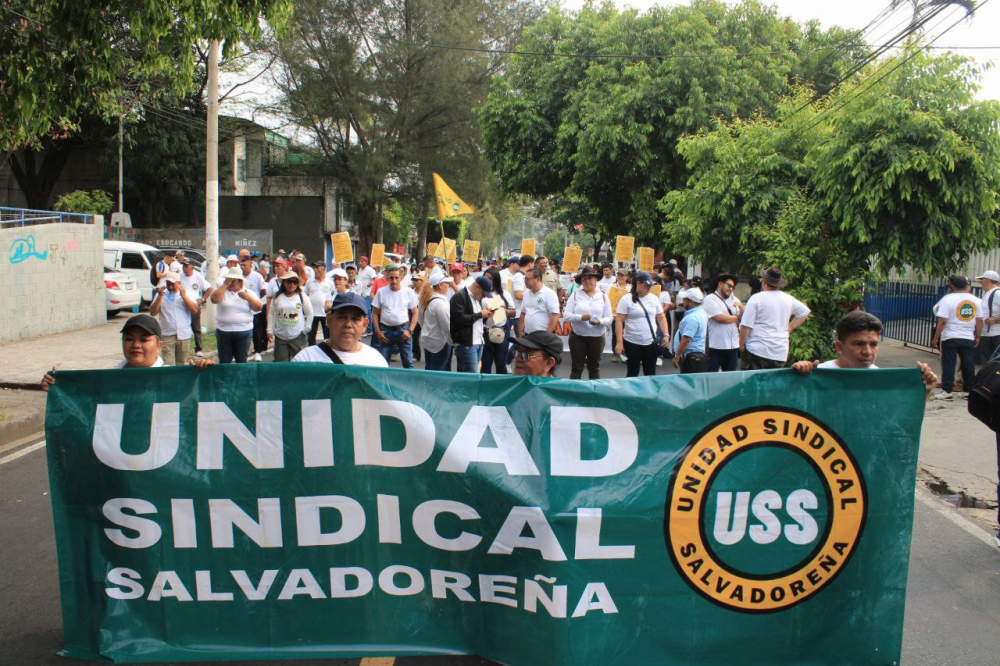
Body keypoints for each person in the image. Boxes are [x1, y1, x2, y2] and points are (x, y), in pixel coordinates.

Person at [41, 314, 214, 390]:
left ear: (159, 345)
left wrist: (206, 376)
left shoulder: (175, 379)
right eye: (129, 339)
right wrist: (59, 385)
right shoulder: (108, 379)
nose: (136, 345)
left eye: (144, 340)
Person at [792, 312, 939, 390]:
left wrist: (925, 390)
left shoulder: (881, 380)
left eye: (874, 344)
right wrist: (796, 379)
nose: (868, 352)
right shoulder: (818, 376)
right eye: (859, 344)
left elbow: (899, 420)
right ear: (839, 347)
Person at [739, 266, 811, 370]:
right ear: (778, 284)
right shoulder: (788, 298)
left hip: (757, 349)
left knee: (752, 384)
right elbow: (804, 312)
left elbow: (745, 326)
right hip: (779, 353)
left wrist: (741, 345)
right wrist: (790, 327)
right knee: (772, 384)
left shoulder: (756, 298)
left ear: (764, 282)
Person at [292, 292, 388, 367]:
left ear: (364, 325)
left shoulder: (376, 361)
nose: (348, 324)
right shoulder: (305, 360)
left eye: (355, 319)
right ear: (329, 320)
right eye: (342, 317)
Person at [931, 275, 983, 397]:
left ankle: (947, 391)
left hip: (951, 337)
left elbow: (942, 321)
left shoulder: (947, 299)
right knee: (968, 364)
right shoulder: (976, 300)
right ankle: (968, 390)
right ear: (967, 286)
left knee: (949, 363)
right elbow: (979, 321)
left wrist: (935, 338)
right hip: (968, 337)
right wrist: (977, 336)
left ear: (953, 286)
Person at [615, 271, 670, 377]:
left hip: (650, 342)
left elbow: (661, 317)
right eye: (647, 285)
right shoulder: (626, 299)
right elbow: (619, 321)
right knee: (632, 373)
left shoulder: (653, 298)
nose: (649, 288)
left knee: (650, 373)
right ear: (638, 283)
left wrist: (666, 334)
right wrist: (619, 342)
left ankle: (650, 393)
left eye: (651, 285)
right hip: (632, 342)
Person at [563, 267, 611, 379]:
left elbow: (609, 318)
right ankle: (573, 393)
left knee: (594, 368)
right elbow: (566, 315)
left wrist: (600, 321)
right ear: (581, 281)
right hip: (578, 337)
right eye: (584, 279)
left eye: (590, 278)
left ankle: (593, 394)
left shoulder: (603, 296)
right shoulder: (575, 295)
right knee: (576, 367)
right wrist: (581, 317)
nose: (587, 281)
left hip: (597, 338)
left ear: (596, 280)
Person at [210, 267, 263, 364]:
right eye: (229, 280)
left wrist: (248, 298)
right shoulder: (222, 291)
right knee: (225, 361)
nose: (231, 282)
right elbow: (214, 299)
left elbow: (259, 307)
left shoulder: (248, 292)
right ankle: (226, 379)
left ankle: (239, 378)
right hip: (224, 331)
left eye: (234, 280)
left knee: (241, 360)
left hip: (243, 330)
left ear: (240, 281)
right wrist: (225, 284)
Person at [371, 264, 419, 367]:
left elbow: (415, 313)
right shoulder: (381, 292)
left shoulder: (408, 292)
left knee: (408, 363)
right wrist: (378, 332)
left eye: (396, 278)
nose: (394, 280)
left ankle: (408, 383)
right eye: (391, 278)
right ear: (387, 278)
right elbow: (374, 313)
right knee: (383, 364)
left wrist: (410, 331)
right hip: (385, 332)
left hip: (403, 331)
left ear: (401, 278)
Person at [148, 271, 199, 366]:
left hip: (183, 335)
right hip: (167, 334)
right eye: (168, 284)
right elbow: (153, 312)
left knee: (182, 363)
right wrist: (160, 297)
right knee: (168, 365)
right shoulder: (161, 294)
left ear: (179, 283)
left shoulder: (188, 293)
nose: (171, 287)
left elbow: (194, 310)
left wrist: (184, 296)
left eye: (173, 284)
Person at [450, 275, 494, 373]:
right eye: (483, 293)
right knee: (472, 375)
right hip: (467, 343)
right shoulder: (459, 296)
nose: (483, 296)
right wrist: (480, 314)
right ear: (476, 287)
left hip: (478, 341)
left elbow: (476, 321)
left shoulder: (476, 298)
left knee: (468, 375)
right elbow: (460, 319)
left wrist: (485, 315)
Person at [268, 272, 313, 362]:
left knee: (300, 364)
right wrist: (269, 330)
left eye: (294, 282)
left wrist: (307, 328)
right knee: (281, 365)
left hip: (298, 336)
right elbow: (271, 314)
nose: (292, 284)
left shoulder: (302, 296)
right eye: (289, 282)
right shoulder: (277, 297)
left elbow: (309, 313)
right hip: (280, 337)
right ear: (284, 283)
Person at [703, 272, 743, 372]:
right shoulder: (710, 299)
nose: (730, 289)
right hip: (716, 346)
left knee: (729, 378)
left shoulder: (735, 299)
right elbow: (720, 318)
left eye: (733, 287)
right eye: (729, 285)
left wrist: (742, 308)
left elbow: (744, 316)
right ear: (720, 284)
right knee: (711, 377)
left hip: (733, 346)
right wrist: (738, 317)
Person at [481, 267, 516, 375]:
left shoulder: (504, 294)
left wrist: (502, 310)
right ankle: (485, 390)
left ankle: (501, 388)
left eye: (490, 278)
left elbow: (513, 312)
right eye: (485, 278)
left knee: (501, 363)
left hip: (501, 331)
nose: (488, 281)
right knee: (485, 364)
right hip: (485, 332)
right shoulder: (480, 294)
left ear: (496, 280)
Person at [419, 273, 453, 371]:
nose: (448, 285)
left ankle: (428, 386)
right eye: (446, 283)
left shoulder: (425, 299)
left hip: (428, 339)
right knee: (438, 371)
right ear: (440, 285)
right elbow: (447, 326)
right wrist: (452, 342)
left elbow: (421, 320)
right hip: (440, 342)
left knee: (430, 368)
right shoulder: (440, 303)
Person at [179, 259, 213, 357]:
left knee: (196, 327)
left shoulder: (197, 276)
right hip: (183, 304)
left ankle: (199, 348)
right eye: (183, 266)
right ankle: (183, 347)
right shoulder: (180, 276)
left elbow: (209, 288)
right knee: (183, 326)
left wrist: (202, 299)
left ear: (192, 267)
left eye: (186, 266)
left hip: (194, 304)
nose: (184, 269)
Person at [672, 288, 709, 374]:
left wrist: (676, 357)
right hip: (696, 356)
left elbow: (686, 340)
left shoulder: (692, 318)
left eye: (684, 300)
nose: (682, 302)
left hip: (691, 358)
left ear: (691, 302)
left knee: (688, 384)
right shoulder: (701, 313)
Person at [240, 256, 268, 362]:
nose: (243, 267)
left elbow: (263, 291)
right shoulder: (239, 277)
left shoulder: (257, 276)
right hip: (242, 309)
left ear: (251, 266)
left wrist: (254, 301)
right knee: (245, 330)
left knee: (257, 330)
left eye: (245, 265)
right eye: (241, 265)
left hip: (254, 309)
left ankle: (257, 351)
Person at [518, 268, 561, 336]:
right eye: (524, 279)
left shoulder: (549, 294)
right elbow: (523, 313)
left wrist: (547, 334)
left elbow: (555, 315)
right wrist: (520, 331)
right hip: (528, 335)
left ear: (538, 279)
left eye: (527, 279)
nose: (525, 281)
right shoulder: (526, 293)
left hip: (543, 336)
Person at [306, 262, 333, 345]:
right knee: (311, 335)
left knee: (327, 336)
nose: (315, 269)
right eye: (315, 267)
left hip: (325, 314)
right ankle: (312, 353)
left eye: (317, 267)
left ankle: (327, 353)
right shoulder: (310, 281)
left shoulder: (329, 282)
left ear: (324, 269)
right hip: (312, 313)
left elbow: (333, 295)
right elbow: (305, 294)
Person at [976, 270, 1000, 365]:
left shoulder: (997, 293)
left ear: (987, 280)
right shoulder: (988, 293)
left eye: (981, 279)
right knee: (988, 365)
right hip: (987, 335)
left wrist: (996, 319)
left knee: (994, 365)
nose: (980, 282)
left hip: (995, 335)